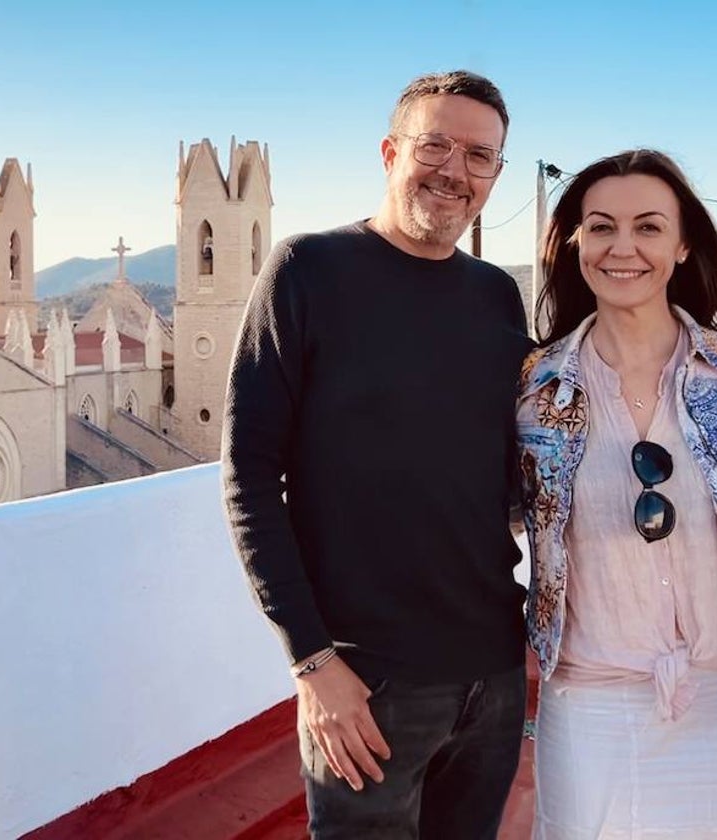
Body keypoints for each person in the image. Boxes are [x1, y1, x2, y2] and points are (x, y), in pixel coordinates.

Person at [221, 70, 533, 839]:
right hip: (365, 681)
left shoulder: (497, 295)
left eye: (480, 156)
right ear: (392, 152)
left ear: (494, 176)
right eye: (435, 145)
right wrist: (313, 664)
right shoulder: (307, 270)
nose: (455, 171)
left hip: (493, 673)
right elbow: (249, 477)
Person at [516, 149, 717, 839]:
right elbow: (470, 515)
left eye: (648, 227)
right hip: (592, 706)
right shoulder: (532, 387)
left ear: (683, 245)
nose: (623, 248)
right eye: (601, 227)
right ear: (575, 243)